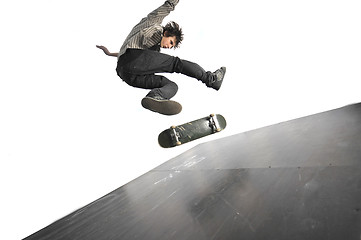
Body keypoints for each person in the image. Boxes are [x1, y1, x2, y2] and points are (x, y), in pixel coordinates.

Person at [96, 0, 226, 115]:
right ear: (167, 33)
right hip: (130, 60)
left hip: (128, 75)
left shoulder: (153, 52)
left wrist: (109, 53)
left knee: (171, 86)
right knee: (176, 63)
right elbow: (169, 5)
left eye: (172, 45)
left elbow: (127, 58)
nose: (169, 47)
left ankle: (156, 96)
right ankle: (211, 79)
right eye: (171, 42)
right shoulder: (153, 21)